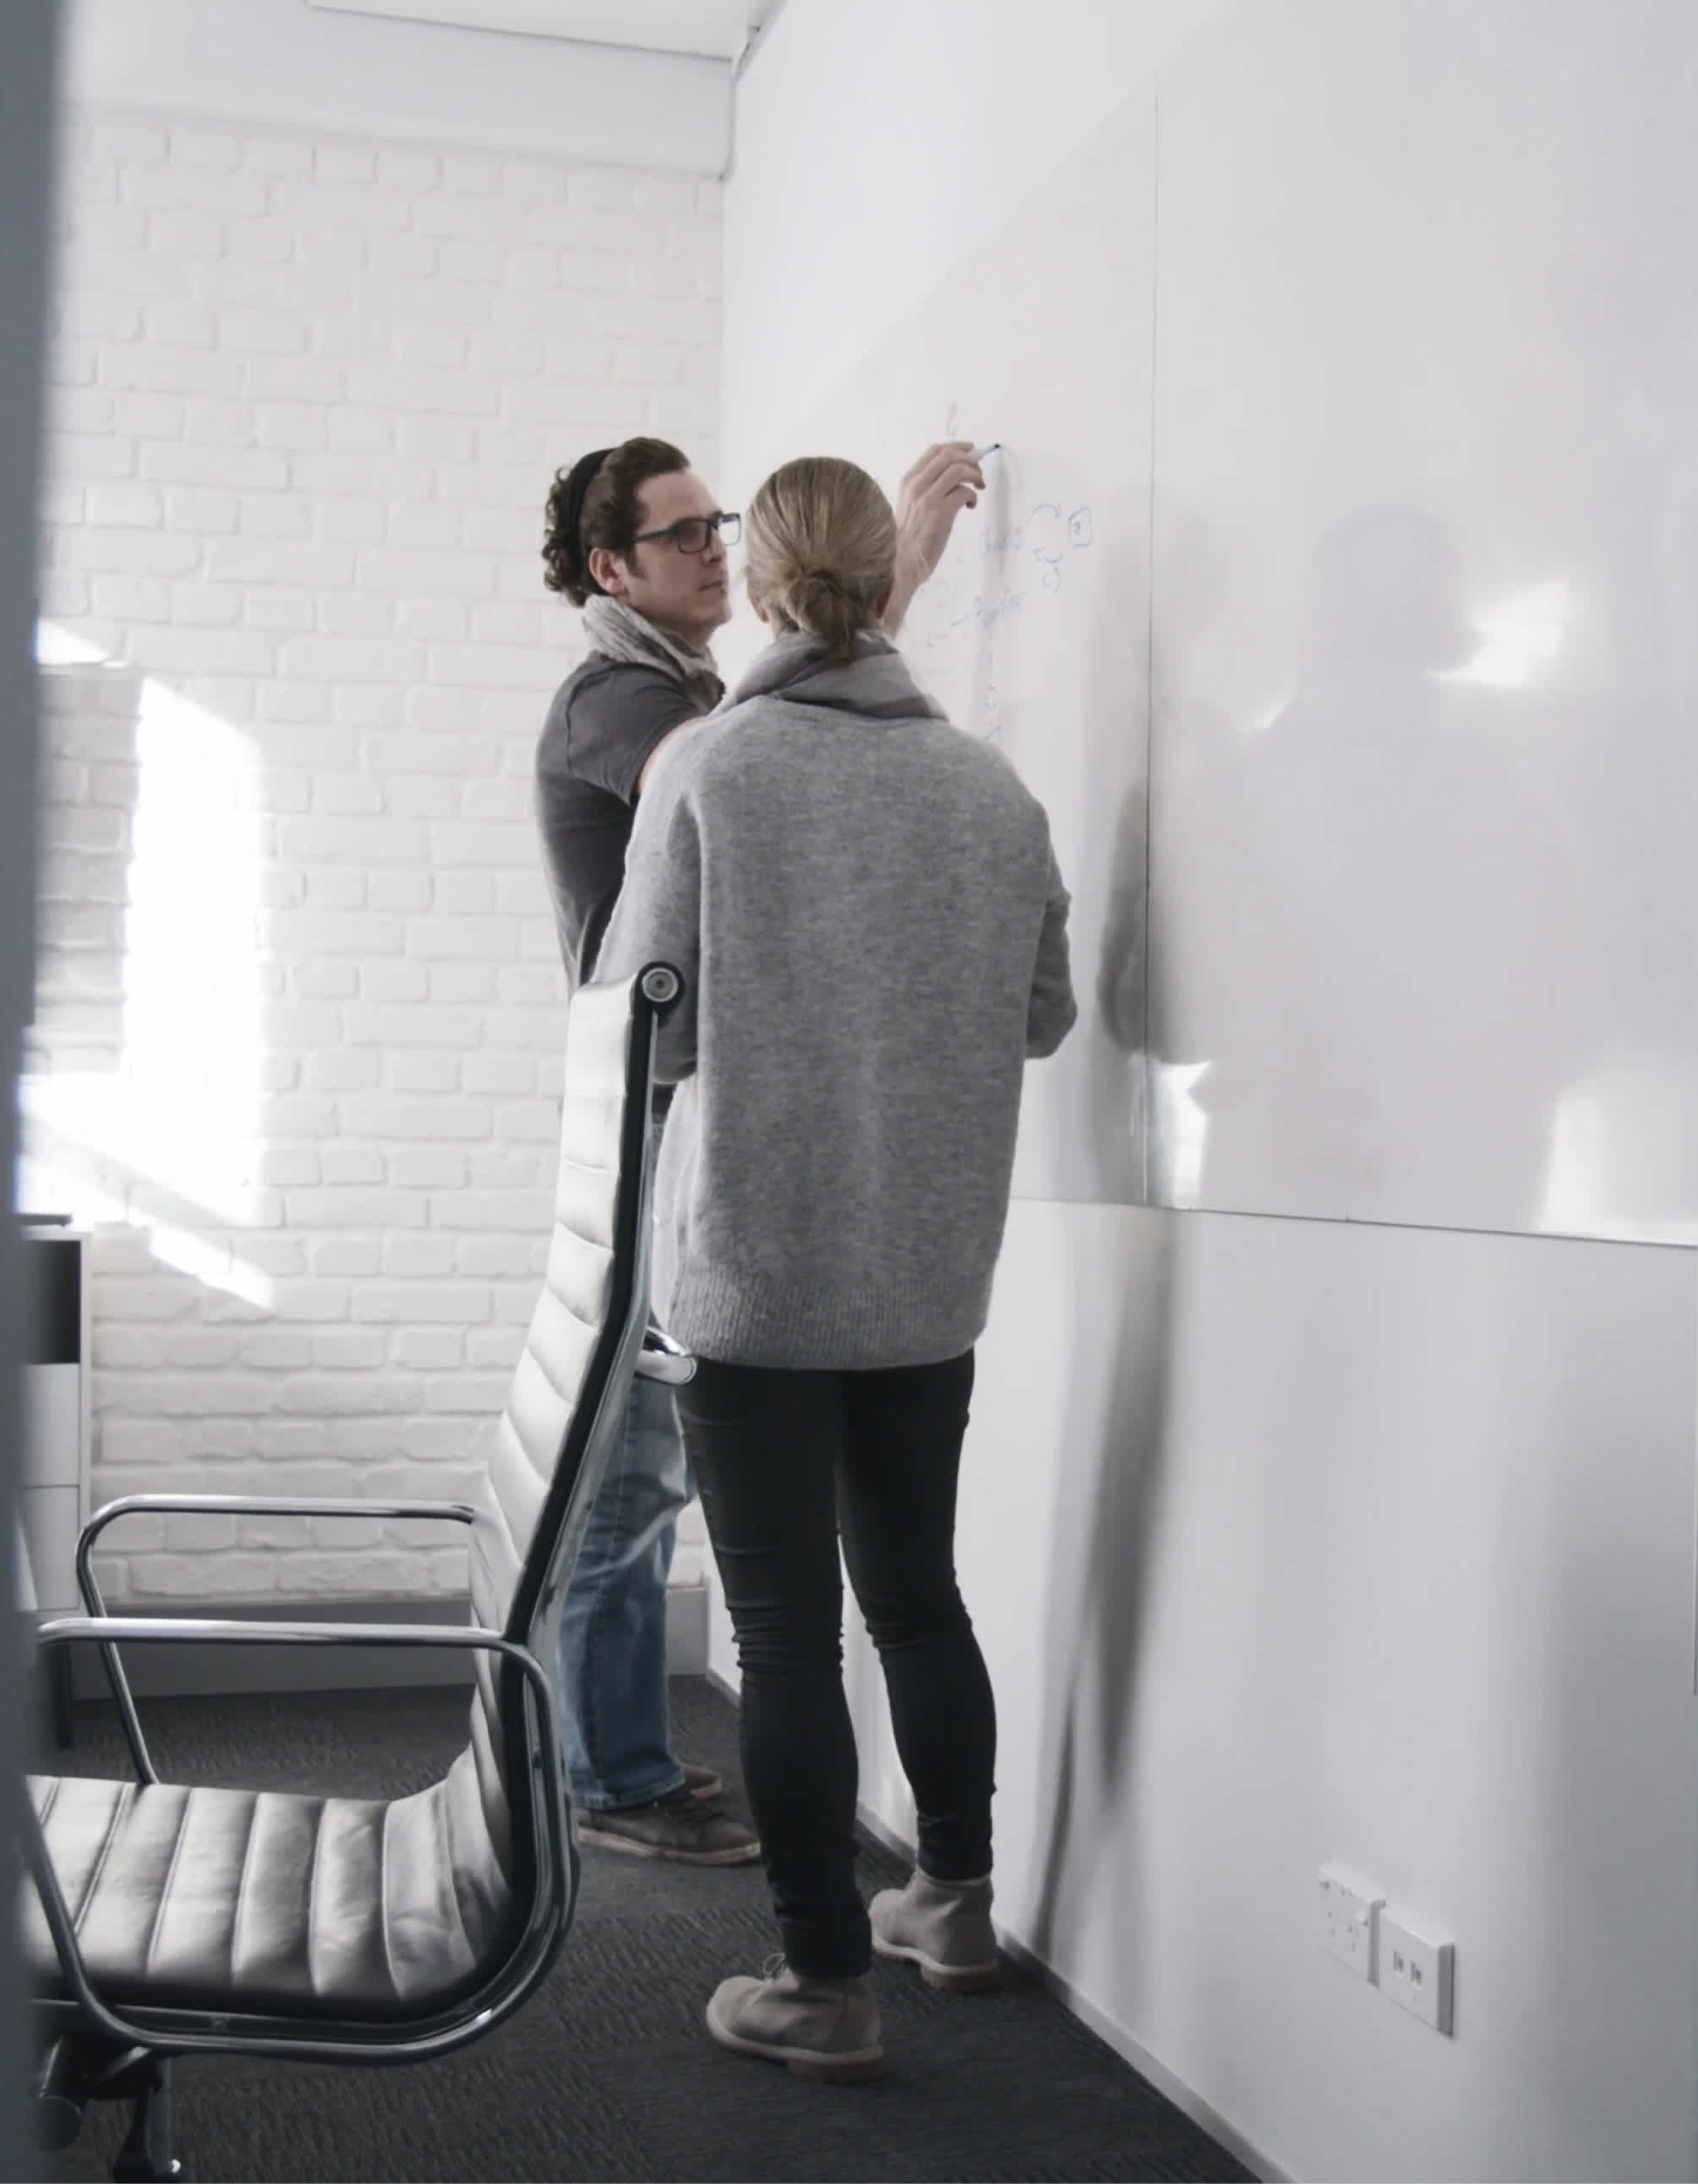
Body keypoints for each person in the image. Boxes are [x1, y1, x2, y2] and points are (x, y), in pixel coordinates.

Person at [595, 454, 1076, 2082]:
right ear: (886, 583)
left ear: (769, 579)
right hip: (926, 1281)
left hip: (756, 1275)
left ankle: (819, 1982)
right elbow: (1045, 1017)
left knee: (786, 1632)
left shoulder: (716, 768)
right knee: (920, 1595)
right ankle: (950, 1901)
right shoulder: (993, 792)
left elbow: (647, 1021)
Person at [531, 437, 986, 1863]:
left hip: (714, 1126)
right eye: (681, 536)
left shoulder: (683, 695)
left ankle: (622, 1767)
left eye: (725, 526)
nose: (713, 551)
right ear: (611, 572)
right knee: (633, 1472)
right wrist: (888, 582)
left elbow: (770, 747)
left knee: (671, 1482)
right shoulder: (625, 703)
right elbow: (750, 778)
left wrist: (870, 593)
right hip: (664, 1137)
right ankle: (610, 1777)